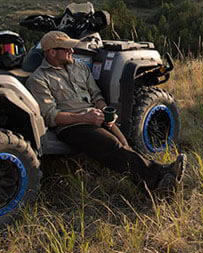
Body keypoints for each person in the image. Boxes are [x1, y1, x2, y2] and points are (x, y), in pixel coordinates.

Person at [26, 30, 185, 194]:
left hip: (96, 117)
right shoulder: (39, 79)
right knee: (113, 146)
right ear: (52, 52)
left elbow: (96, 95)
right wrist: (85, 117)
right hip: (72, 126)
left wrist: (106, 112)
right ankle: (161, 174)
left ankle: (154, 187)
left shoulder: (79, 67)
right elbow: (52, 116)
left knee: (124, 145)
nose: (72, 51)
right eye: (67, 49)